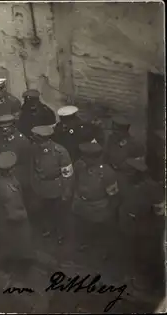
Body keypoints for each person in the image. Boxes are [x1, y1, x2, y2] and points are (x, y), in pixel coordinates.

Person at [118, 157, 165, 291]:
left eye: (128, 172)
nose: (125, 174)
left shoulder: (153, 189)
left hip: (145, 230)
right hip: (129, 227)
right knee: (133, 253)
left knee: (145, 256)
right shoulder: (126, 183)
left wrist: (149, 229)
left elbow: (159, 214)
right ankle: (135, 275)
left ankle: (144, 282)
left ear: (137, 174)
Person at [71, 142, 121, 263]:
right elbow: (76, 181)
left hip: (99, 208)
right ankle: (85, 244)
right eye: (83, 155)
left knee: (102, 232)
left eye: (86, 156)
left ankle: (103, 252)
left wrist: (110, 213)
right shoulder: (79, 165)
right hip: (82, 205)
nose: (82, 158)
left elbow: (113, 196)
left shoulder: (107, 173)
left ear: (96, 157)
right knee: (84, 227)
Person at [0, 151, 34, 274]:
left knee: (2, 237)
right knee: (17, 240)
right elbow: (16, 206)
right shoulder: (9, 189)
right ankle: (15, 265)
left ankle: (4, 260)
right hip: (12, 216)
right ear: (9, 170)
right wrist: (23, 215)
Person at [28, 125, 74, 243]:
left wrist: (66, 191)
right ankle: (48, 228)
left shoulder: (60, 152)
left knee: (58, 213)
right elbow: (32, 168)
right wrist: (34, 184)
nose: (38, 143)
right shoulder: (34, 148)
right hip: (41, 186)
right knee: (44, 210)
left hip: (56, 187)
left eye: (38, 139)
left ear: (45, 139)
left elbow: (67, 174)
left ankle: (60, 233)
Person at [103, 116, 145, 190]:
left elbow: (139, 165)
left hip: (126, 178)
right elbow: (106, 155)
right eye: (113, 131)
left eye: (116, 131)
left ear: (124, 131)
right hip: (110, 175)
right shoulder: (111, 139)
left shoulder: (134, 144)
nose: (113, 133)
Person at [0, 114, 32, 191]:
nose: (3, 131)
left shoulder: (22, 141)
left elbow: (26, 165)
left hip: (15, 178)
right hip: (0, 174)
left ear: (13, 127)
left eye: (6, 129)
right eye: (1, 129)